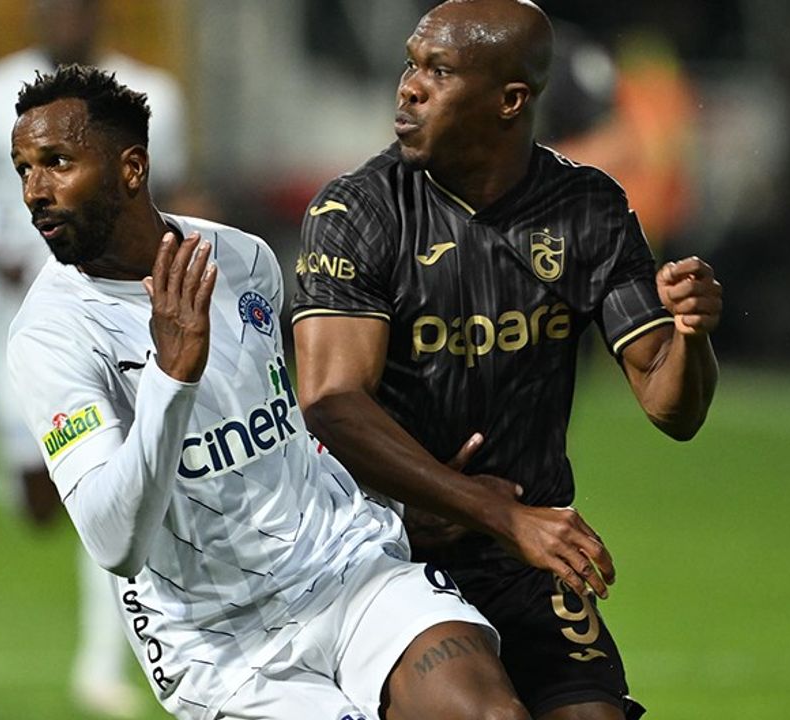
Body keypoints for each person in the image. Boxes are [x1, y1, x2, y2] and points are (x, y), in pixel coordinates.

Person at [5, 63, 534, 720]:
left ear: (131, 168)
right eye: (23, 169)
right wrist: (171, 379)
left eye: (56, 163)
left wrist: (400, 499)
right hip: (219, 647)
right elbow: (114, 542)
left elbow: (289, 426)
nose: (35, 191)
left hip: (346, 568)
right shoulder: (50, 336)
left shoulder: (242, 260)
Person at [291, 1, 722, 718]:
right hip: (383, 554)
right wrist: (494, 511)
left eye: (439, 71)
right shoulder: (358, 212)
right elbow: (334, 404)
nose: (409, 87)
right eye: (411, 65)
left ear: (510, 100)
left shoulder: (588, 209)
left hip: (521, 559)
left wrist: (691, 331)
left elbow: (670, 404)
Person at [0, 1, 186, 714]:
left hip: (118, 312)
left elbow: (175, 193)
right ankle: (32, 479)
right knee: (40, 500)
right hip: (20, 319)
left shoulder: (151, 97)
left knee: (112, 489)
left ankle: (103, 666)